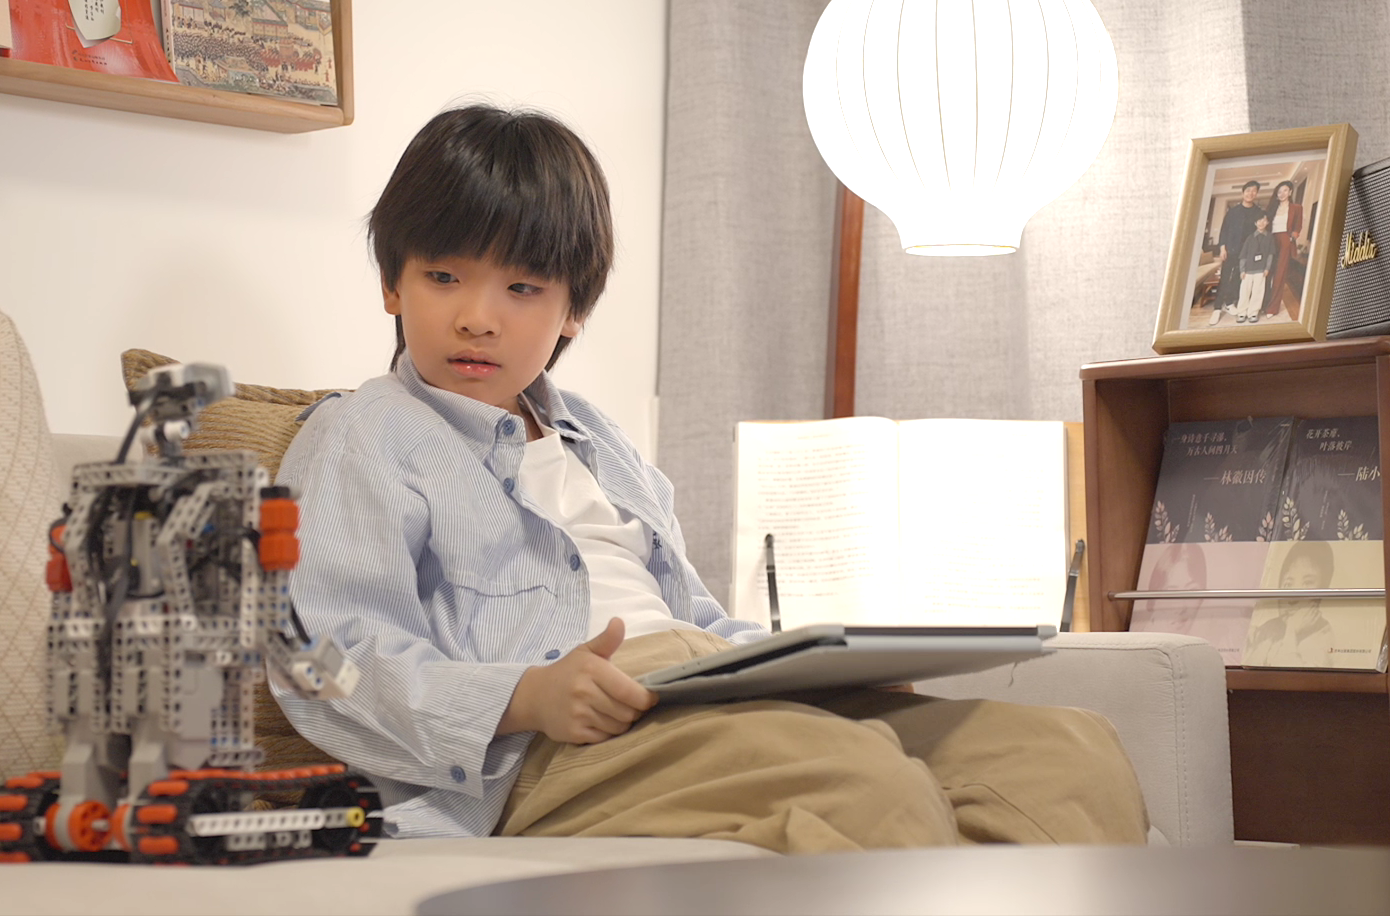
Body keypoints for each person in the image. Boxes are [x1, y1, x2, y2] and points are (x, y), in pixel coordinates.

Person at [274, 105, 1148, 853]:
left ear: (574, 309)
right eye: (443, 277)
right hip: (544, 751)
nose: (476, 316)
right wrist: (522, 697)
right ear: (392, 284)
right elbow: (323, 663)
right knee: (860, 785)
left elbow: (690, 619)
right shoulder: (364, 434)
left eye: (523, 288)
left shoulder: (597, 439)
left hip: (692, 690)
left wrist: (823, 669)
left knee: (1068, 756)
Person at [1242, 543, 1335, 667]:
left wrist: (1291, 632)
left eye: (1308, 583)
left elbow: (1288, 676)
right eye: (1288, 584)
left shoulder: (1324, 637)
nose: (1292, 599)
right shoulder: (1268, 629)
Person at [1208, 181, 1263, 326]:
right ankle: (1217, 308)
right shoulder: (1233, 211)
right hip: (1231, 250)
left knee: (1239, 279)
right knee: (1225, 277)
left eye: (1254, 191)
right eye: (1248, 190)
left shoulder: (1258, 212)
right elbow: (1224, 230)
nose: (1251, 193)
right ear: (1243, 192)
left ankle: (1229, 303)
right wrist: (1222, 248)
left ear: (1256, 194)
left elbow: (1259, 232)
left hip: (1247, 253)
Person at [1261, 179, 1301, 319]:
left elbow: (1297, 227)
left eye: (1285, 190)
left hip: (1285, 241)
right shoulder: (1272, 208)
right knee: (1267, 272)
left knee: (1279, 275)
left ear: (1290, 192)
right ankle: (1263, 304)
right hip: (1271, 240)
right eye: (1279, 191)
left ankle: (1272, 308)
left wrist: (1292, 238)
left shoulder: (1296, 208)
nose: (1282, 194)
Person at [1237, 212, 1276, 324]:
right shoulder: (1250, 238)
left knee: (1258, 292)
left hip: (1261, 270)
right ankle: (1241, 313)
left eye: (1264, 220)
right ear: (1255, 223)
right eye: (1259, 220)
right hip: (1248, 270)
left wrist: (1267, 268)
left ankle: (1253, 313)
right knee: (1244, 291)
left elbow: (1270, 255)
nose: (1261, 223)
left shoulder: (1270, 237)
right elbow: (1243, 255)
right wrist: (1242, 270)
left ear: (1267, 222)